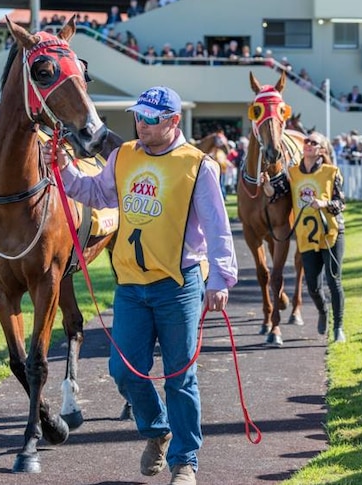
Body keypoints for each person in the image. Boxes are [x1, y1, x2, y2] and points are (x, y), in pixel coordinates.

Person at [41, 86, 238, 485]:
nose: (141, 125)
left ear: (172, 121)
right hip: (130, 285)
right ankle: (157, 430)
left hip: (178, 284)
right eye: (138, 117)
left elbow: (218, 228)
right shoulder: (124, 154)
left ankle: (185, 463)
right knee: (124, 371)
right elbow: (96, 193)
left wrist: (221, 277)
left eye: (151, 119)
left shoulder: (197, 166)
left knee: (180, 376)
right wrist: (65, 169)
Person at [259, 131, 347, 343]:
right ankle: (323, 311)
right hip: (306, 235)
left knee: (334, 281)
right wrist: (267, 185)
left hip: (331, 233)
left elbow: (340, 203)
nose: (307, 144)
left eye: (313, 142)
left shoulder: (331, 172)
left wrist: (324, 204)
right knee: (313, 286)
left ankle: (338, 327)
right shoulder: (293, 173)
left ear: (321, 150)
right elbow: (276, 193)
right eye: (306, 141)